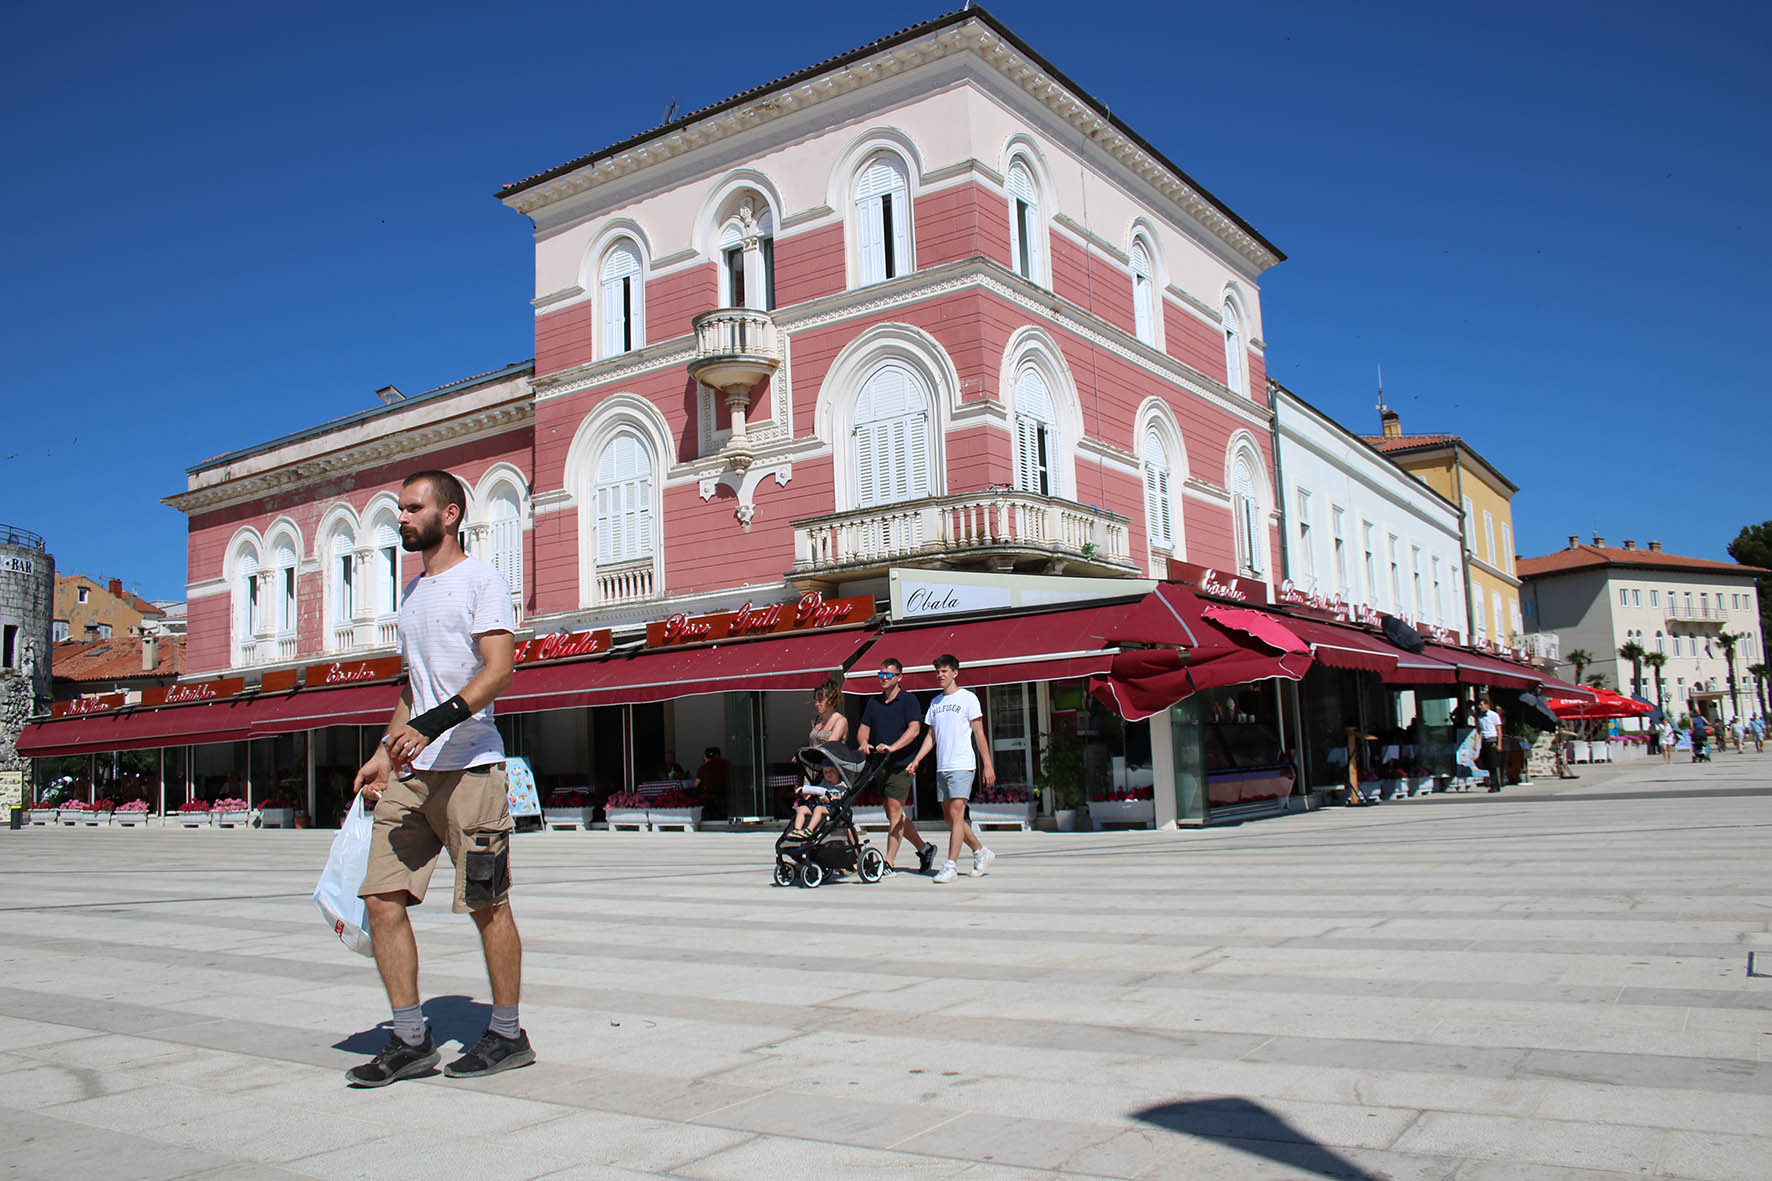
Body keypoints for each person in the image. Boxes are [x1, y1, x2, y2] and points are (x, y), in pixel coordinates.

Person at [346, 469, 532, 1088]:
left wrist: (432, 724)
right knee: (381, 899)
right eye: (400, 508)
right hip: (412, 774)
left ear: (449, 515)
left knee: (487, 903)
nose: (401, 517)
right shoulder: (411, 593)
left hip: (471, 770)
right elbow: (414, 685)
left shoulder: (482, 580)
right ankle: (410, 1039)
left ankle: (507, 1033)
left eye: (412, 507)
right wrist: (385, 750)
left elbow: (498, 670)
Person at [905, 654, 996, 884]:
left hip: (962, 764)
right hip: (942, 766)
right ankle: (980, 852)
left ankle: (951, 865)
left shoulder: (968, 699)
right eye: (937, 671)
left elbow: (979, 734)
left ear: (955, 673)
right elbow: (931, 736)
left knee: (957, 814)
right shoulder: (935, 703)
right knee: (949, 817)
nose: (940, 675)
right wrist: (917, 760)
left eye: (944, 671)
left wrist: (987, 764)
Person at [857, 657, 937, 875]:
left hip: (902, 764)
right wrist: (863, 742)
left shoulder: (908, 700)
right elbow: (863, 728)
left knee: (894, 810)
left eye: (888, 674)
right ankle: (925, 849)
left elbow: (914, 730)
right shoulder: (874, 702)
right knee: (893, 813)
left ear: (899, 677)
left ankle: (888, 862)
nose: (883, 678)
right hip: (880, 764)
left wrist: (893, 747)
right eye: (880, 674)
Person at [789, 761, 839, 838]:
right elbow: (816, 791)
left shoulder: (842, 785)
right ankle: (797, 830)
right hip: (818, 805)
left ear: (838, 772)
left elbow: (842, 797)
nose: (828, 774)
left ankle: (809, 830)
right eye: (825, 772)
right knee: (802, 808)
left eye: (831, 771)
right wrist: (804, 791)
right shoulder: (824, 783)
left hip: (831, 808)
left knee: (818, 809)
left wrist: (831, 798)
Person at [1477, 698, 1504, 792]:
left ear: (1487, 705)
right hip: (1484, 741)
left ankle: (1495, 785)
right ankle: (1493, 783)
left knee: (1493, 764)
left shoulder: (1494, 715)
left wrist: (1499, 744)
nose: (1480, 707)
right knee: (1486, 763)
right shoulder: (1480, 717)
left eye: (1481, 705)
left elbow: (1499, 730)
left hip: (1492, 740)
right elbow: (1479, 730)